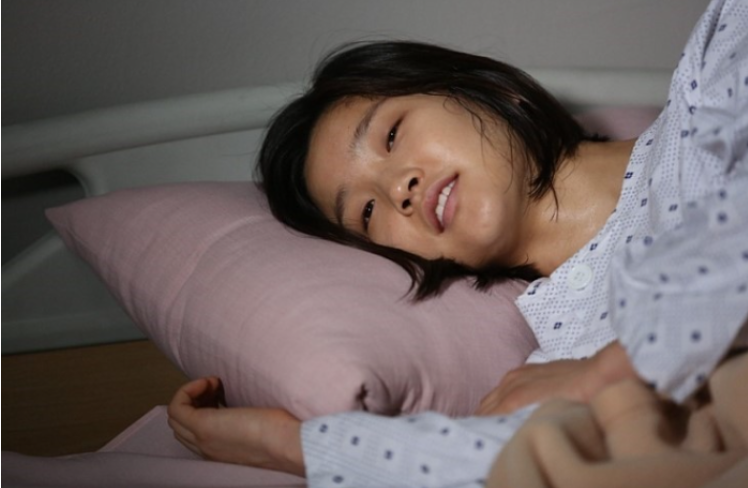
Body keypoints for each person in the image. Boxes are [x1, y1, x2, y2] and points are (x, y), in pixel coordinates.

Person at [168, 0, 748, 486]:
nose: (397, 187)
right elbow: (477, 466)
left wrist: (608, 372)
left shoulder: (715, 77)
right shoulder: (553, 362)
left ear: (486, 90)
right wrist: (286, 445)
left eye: (391, 134)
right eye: (366, 212)